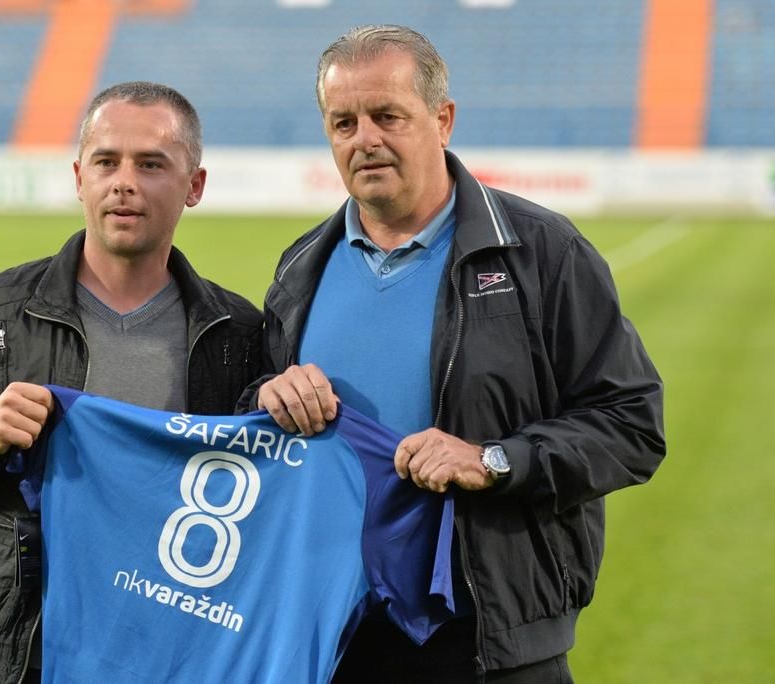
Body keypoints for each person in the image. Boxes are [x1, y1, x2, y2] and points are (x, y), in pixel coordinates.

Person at [243, 25, 666, 683]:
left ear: (442, 120)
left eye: (387, 116)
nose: (364, 139)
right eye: (343, 122)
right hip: (328, 636)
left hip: (484, 642)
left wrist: (492, 460)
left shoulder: (541, 253)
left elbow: (631, 425)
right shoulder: (300, 267)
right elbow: (258, 426)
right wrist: (266, 397)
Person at [0, 81, 268, 683]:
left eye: (151, 164)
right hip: (31, 646)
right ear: (79, 177)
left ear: (194, 185)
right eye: (106, 161)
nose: (124, 182)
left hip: (176, 643)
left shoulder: (236, 334)